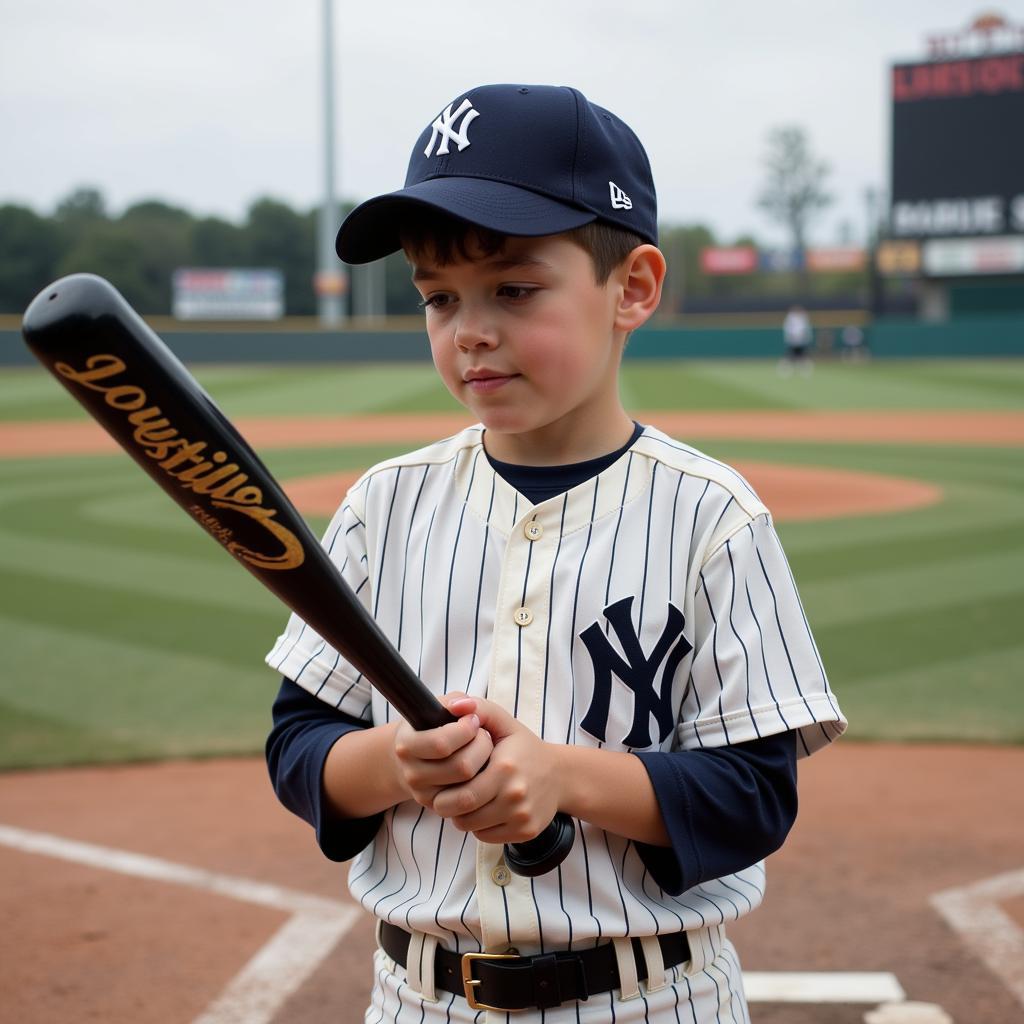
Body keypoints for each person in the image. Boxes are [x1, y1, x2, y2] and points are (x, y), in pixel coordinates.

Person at [265, 83, 846, 1022]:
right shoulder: (384, 505)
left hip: (653, 998)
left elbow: (752, 796)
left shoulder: (713, 517)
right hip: (420, 999)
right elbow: (298, 746)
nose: (471, 331)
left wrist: (562, 778)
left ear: (635, 288)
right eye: (438, 297)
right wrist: (395, 762)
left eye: (515, 288)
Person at [780, 304, 814, 375]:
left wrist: (806, 338)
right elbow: (787, 328)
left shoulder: (803, 317)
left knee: (803, 355)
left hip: (802, 340)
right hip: (793, 340)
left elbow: (806, 329)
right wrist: (791, 336)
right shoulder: (790, 317)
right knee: (790, 356)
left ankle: (804, 370)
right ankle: (785, 369)